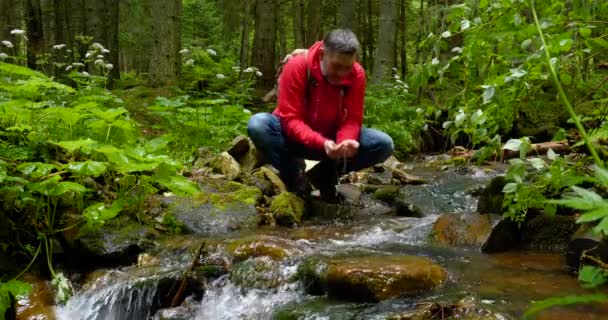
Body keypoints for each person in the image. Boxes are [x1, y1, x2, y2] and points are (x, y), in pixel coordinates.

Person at [247, 29, 393, 202]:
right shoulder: (298, 66)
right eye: (337, 66)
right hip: (293, 137)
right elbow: (290, 119)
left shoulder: (357, 74)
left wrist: (346, 141)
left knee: (383, 144)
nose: (342, 73)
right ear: (323, 54)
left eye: (347, 67)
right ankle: (295, 176)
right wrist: (322, 143)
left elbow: (352, 119)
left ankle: (323, 175)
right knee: (258, 124)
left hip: (331, 141)